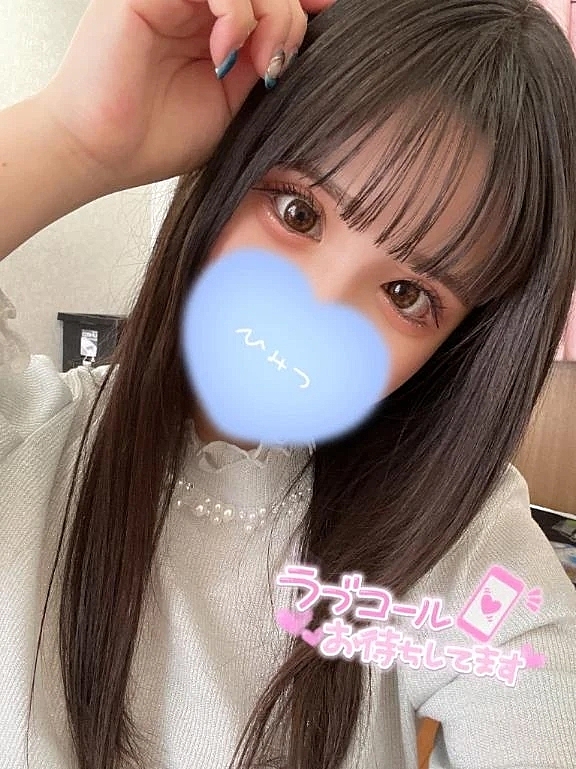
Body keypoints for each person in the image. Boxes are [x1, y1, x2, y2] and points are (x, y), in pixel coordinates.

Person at [0, 0, 575, 768]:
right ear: (234, 168)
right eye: (299, 211)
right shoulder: (25, 439)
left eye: (407, 294)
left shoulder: (457, 545)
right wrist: (75, 137)